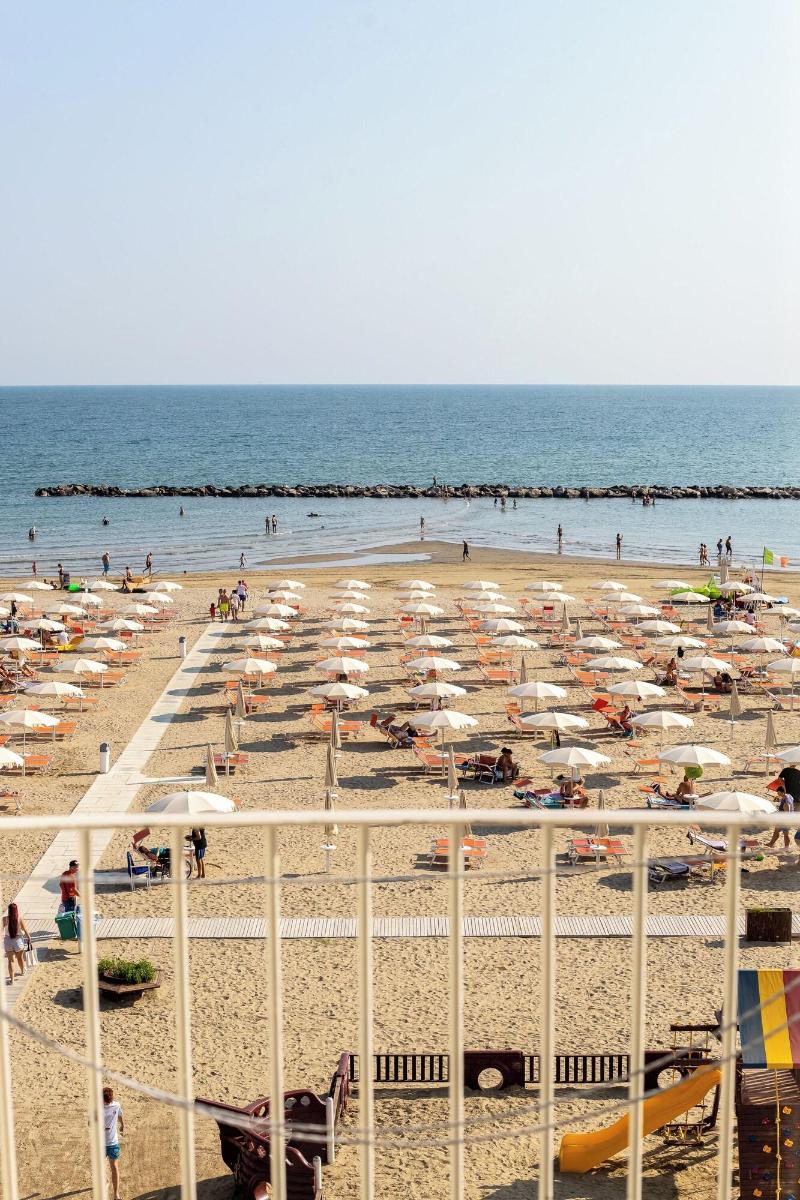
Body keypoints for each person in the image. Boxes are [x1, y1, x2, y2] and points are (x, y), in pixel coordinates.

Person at [102, 1086, 124, 1200]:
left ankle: (116, 1194)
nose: (106, 1104)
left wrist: (122, 1125)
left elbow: (119, 1115)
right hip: (100, 1143)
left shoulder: (116, 1105)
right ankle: (105, 1179)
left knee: (114, 1167)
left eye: (108, 1102)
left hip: (113, 1143)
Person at [3, 902, 30, 985]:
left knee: (10, 961)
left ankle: (12, 980)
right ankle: (22, 971)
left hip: (8, 941)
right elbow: (25, 930)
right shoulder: (19, 919)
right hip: (18, 941)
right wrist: (29, 938)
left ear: (9, 910)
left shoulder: (4, 919)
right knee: (20, 958)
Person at [766, 785, 793, 850]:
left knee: (785, 834)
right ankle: (771, 844)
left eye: (778, 793)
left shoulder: (786, 802)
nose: (778, 794)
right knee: (776, 831)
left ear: (782, 792)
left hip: (785, 820)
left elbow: (787, 813)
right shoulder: (788, 795)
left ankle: (786, 847)